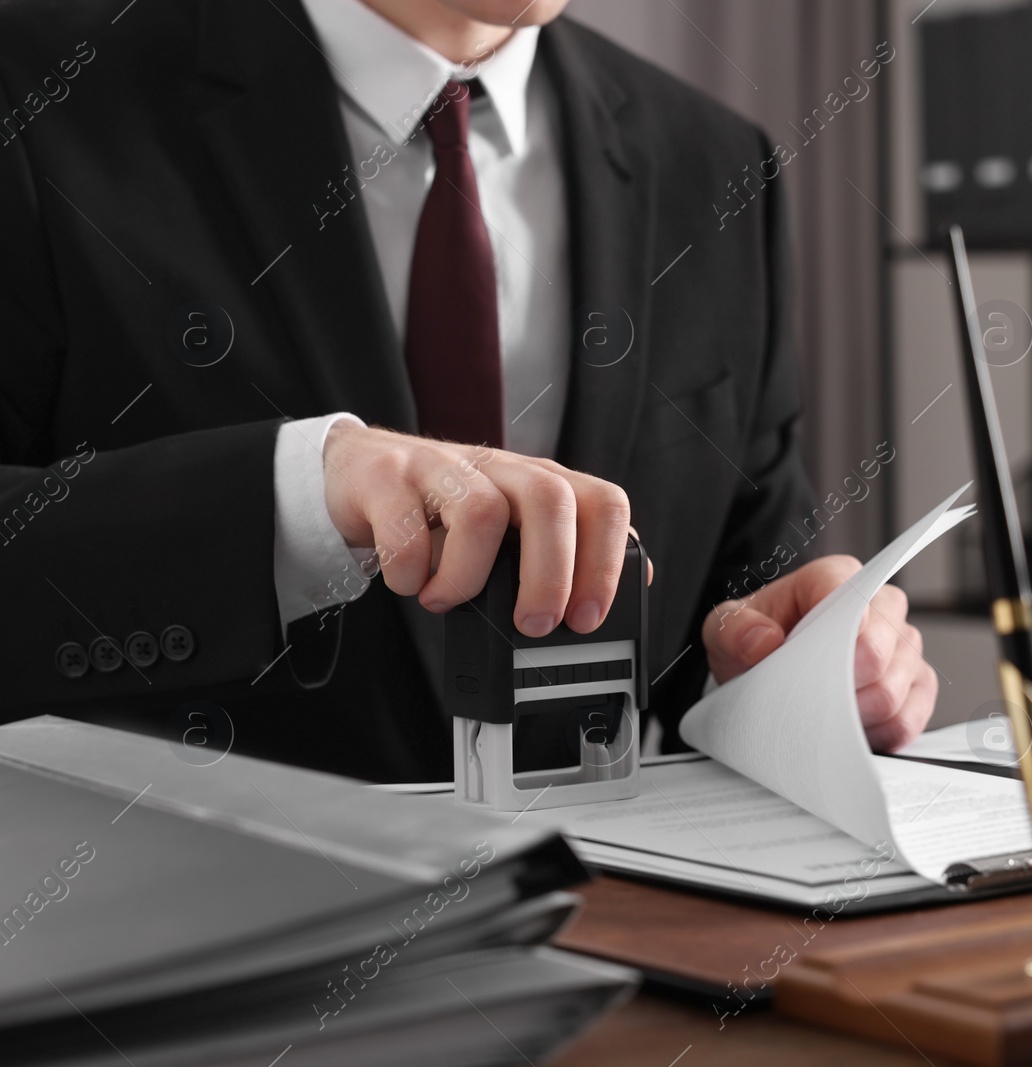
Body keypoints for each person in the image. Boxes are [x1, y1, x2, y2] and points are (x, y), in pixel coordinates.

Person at [0, 0, 936, 780]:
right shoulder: (40, 88)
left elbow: (741, 601)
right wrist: (294, 495)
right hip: (173, 959)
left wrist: (806, 678)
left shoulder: (716, 165)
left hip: (623, 950)